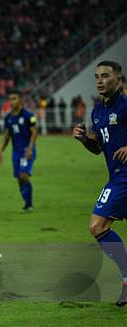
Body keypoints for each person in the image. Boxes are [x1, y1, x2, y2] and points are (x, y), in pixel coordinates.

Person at [73, 60, 127, 307]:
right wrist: (85, 139)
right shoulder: (97, 111)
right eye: (96, 76)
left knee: (97, 225)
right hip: (117, 176)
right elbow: (98, 149)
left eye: (105, 75)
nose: (99, 80)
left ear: (119, 79)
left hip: (124, 178)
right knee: (99, 227)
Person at [0, 90, 38, 212]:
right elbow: (6, 136)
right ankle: (27, 203)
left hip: (26, 151)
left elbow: (35, 132)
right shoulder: (8, 117)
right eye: (10, 99)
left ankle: (29, 205)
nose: (11, 101)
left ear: (20, 100)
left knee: (23, 175)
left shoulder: (28, 115)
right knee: (19, 179)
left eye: (14, 98)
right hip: (16, 153)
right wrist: (1, 151)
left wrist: (30, 148)